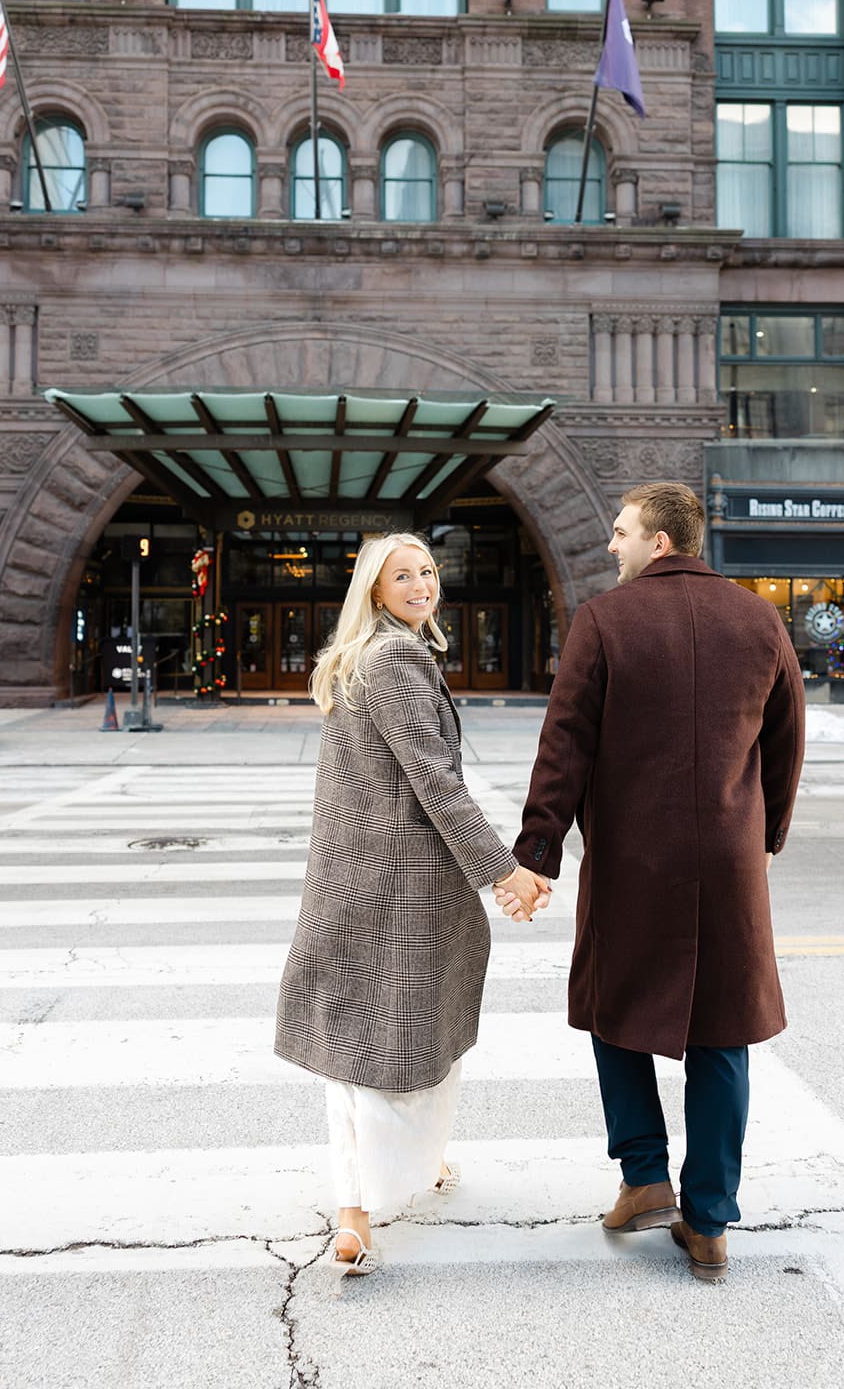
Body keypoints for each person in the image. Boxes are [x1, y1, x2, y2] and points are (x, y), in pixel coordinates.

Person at [499, 483, 804, 1283]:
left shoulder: (605, 621)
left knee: (613, 1006)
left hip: (634, 858)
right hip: (728, 862)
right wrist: (764, 835)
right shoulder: (758, 618)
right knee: (722, 1033)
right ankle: (707, 1220)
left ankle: (642, 1177)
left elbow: (563, 745)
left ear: (660, 543)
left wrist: (537, 854)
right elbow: (785, 740)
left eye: (622, 532)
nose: (611, 546)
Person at [275, 532, 550, 1276]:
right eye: (403, 575)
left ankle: (405, 1175)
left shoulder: (374, 655)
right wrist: (505, 871)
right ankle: (356, 1209)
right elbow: (434, 781)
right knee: (384, 1040)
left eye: (427, 571)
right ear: (374, 590)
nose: (421, 584)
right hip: (397, 883)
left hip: (366, 874)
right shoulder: (395, 659)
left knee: (387, 1033)